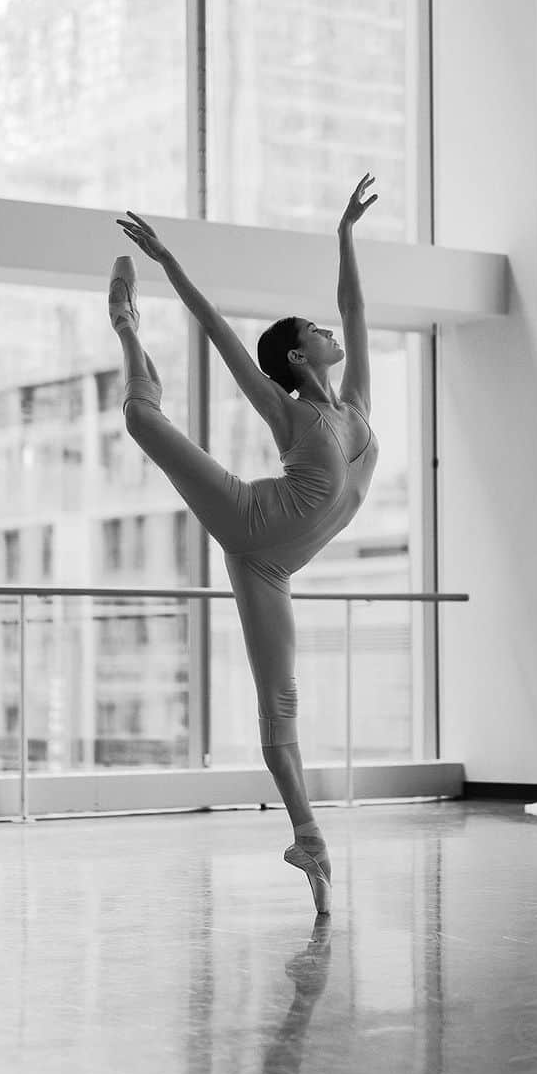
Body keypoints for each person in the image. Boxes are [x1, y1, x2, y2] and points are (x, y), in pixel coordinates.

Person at [108, 174, 380, 914]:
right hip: (248, 518)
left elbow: (355, 307)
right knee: (142, 420)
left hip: (272, 565)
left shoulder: (354, 404)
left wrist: (345, 233)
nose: (331, 333)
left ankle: (309, 842)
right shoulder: (289, 414)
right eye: (315, 332)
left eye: (328, 332)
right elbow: (220, 330)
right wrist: (167, 263)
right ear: (296, 358)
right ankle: (129, 333)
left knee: (279, 707)